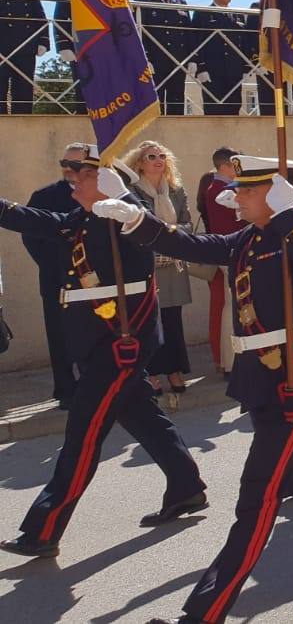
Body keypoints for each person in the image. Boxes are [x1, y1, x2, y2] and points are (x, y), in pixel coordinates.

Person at [98, 155, 293, 617]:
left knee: (257, 496)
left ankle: (204, 609)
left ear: (274, 195)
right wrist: (138, 218)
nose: (235, 196)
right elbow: (194, 244)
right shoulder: (248, 237)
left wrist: (290, 215)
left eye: (246, 191)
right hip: (261, 376)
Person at [0, 149, 207, 558]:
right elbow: (40, 221)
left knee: (83, 433)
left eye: (83, 173)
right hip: (99, 340)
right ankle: (186, 487)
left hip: (120, 343)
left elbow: (149, 252)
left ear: (108, 179)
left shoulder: (128, 221)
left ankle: (44, 527)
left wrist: (128, 206)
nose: (72, 178)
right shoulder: (85, 217)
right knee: (141, 415)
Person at [123, 140, 195, 406]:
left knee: (173, 319)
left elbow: (187, 221)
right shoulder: (131, 192)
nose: (158, 160)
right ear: (139, 162)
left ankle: (174, 370)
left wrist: (172, 233)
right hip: (146, 263)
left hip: (173, 261)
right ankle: (152, 373)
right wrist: (163, 233)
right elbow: (132, 226)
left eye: (162, 155)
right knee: (149, 321)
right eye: (151, 156)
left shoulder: (176, 189)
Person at [25, 142, 90, 405]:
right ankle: (65, 390)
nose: (67, 169)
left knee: (92, 335)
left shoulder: (100, 194)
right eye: (64, 164)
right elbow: (30, 237)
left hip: (93, 281)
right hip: (56, 278)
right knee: (59, 335)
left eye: (73, 165)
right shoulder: (44, 197)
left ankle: (93, 386)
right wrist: (54, 264)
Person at [197, 148, 245, 374]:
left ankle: (230, 361)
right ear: (226, 166)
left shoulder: (216, 187)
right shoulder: (220, 189)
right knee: (231, 308)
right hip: (231, 253)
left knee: (231, 307)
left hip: (228, 252)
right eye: (235, 165)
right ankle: (231, 361)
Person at [0, 0, 49, 114]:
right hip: (1, 45)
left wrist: (44, 40)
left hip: (25, 45)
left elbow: (38, 10)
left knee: (24, 92)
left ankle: (24, 131)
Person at [136, 0, 192, 115]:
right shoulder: (142, 2)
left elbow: (188, 34)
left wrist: (192, 59)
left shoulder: (181, 4)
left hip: (177, 61)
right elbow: (139, 34)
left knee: (177, 101)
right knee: (155, 101)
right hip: (155, 61)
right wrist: (144, 58)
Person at [193, 0, 252, 115]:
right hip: (212, 72)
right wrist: (200, 67)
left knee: (234, 108)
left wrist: (246, 67)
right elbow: (196, 41)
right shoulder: (203, 15)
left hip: (234, 72)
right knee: (214, 110)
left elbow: (244, 43)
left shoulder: (238, 15)